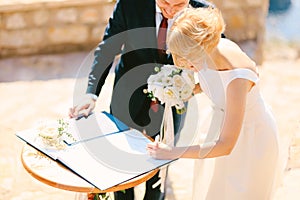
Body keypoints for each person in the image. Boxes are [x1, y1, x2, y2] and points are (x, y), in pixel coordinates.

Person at [69, 0, 215, 199]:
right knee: (121, 158)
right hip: (128, 92)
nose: (170, 11)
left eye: (179, 4)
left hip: (174, 100)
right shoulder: (130, 4)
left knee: (161, 161)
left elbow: (216, 58)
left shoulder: (204, 13)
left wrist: (194, 88)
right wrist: (91, 93)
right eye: (164, 2)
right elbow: (108, 47)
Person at [147, 7, 280, 199]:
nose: (185, 66)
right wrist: (187, 90)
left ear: (203, 46)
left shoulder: (237, 79)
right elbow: (215, 80)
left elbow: (226, 146)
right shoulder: (209, 49)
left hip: (248, 141)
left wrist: (173, 152)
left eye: (189, 61)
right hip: (219, 129)